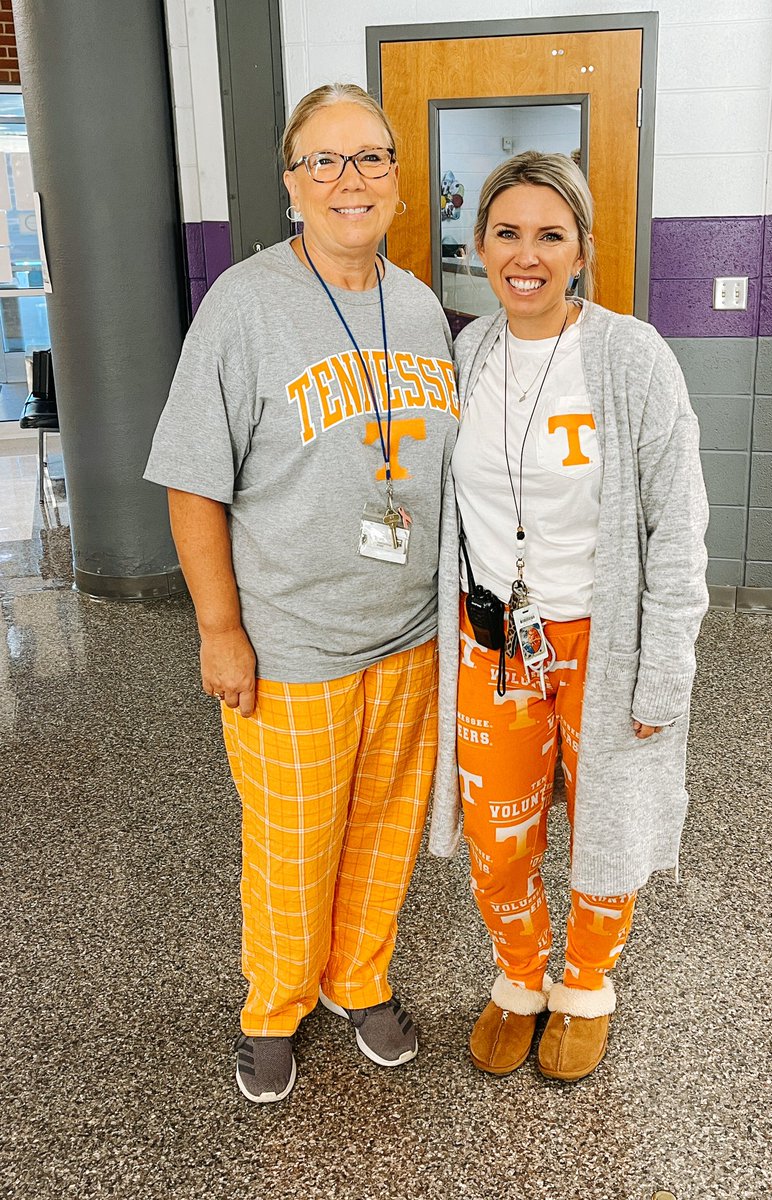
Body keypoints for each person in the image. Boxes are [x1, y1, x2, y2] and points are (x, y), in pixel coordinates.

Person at [144, 83, 459, 1103]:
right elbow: (194, 476)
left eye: (369, 158)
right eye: (323, 162)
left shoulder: (418, 304)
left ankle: (358, 980)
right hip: (292, 641)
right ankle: (272, 1005)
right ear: (292, 184)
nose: (348, 180)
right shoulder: (244, 302)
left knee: (382, 832)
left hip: (409, 637)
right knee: (293, 844)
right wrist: (220, 628)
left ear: (399, 179)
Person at [428, 151, 709, 1082]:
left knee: (606, 823)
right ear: (480, 247)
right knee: (498, 834)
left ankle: (586, 982)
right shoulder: (467, 354)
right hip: (494, 642)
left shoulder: (631, 357)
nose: (527, 255)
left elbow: (678, 527)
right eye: (507, 233)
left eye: (551, 235)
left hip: (602, 639)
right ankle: (518, 978)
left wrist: (664, 667)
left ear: (582, 249)